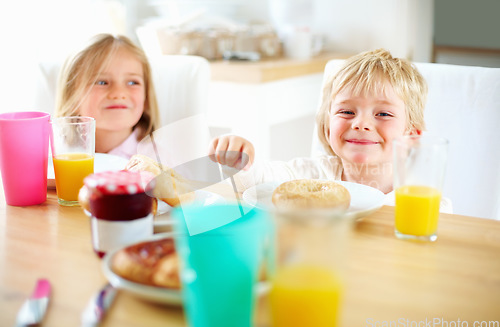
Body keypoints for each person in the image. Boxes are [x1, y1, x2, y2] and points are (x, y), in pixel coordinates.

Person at [208, 48, 452, 212]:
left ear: (411, 135)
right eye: (347, 112)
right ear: (326, 126)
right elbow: (259, 183)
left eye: (383, 114)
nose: (360, 124)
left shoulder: (423, 201)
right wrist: (240, 160)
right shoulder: (310, 175)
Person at [55, 33, 161, 159]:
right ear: (71, 97)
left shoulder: (161, 163)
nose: (118, 93)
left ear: (146, 98)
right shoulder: (55, 159)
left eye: (132, 82)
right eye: (101, 82)